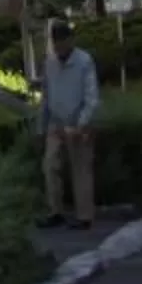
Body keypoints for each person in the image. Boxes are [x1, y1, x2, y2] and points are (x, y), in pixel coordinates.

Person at [37, 18, 101, 231]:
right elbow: (46, 97)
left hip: (78, 122)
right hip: (56, 122)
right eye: (56, 43)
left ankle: (84, 216)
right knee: (50, 166)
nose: (59, 47)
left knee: (81, 169)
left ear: (70, 41)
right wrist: (41, 127)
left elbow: (92, 97)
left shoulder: (84, 61)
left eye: (62, 42)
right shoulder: (50, 63)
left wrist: (82, 123)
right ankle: (55, 211)